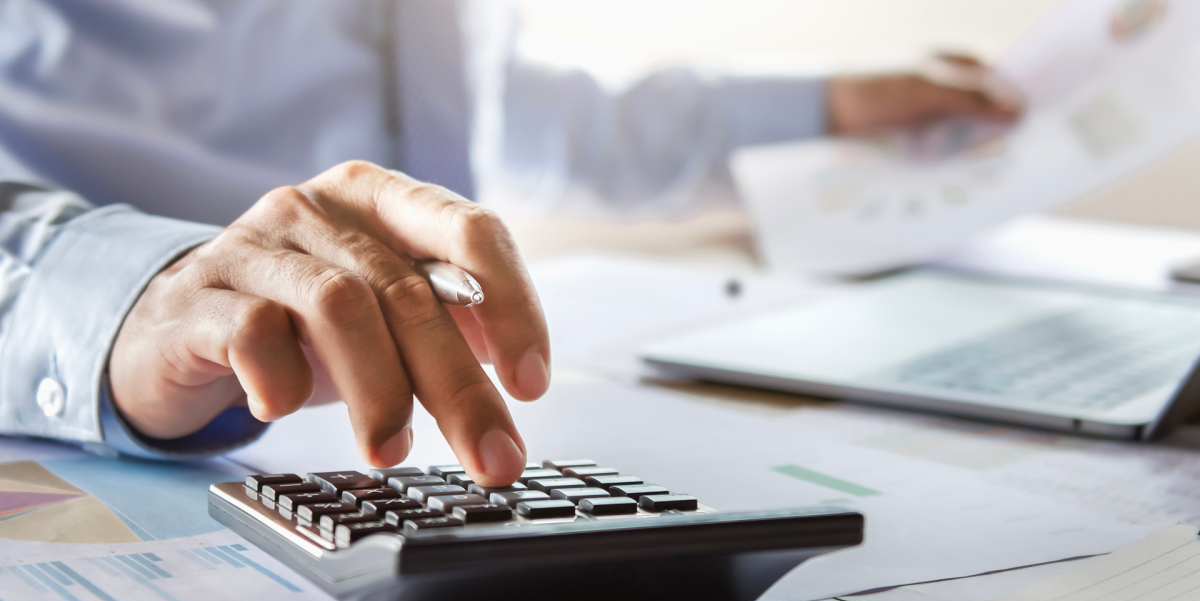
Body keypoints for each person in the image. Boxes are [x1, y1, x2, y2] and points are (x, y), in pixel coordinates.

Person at [0, 0, 1020, 486]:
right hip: (89, 438)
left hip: (373, 455)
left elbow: (495, 111)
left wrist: (828, 104)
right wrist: (132, 301)